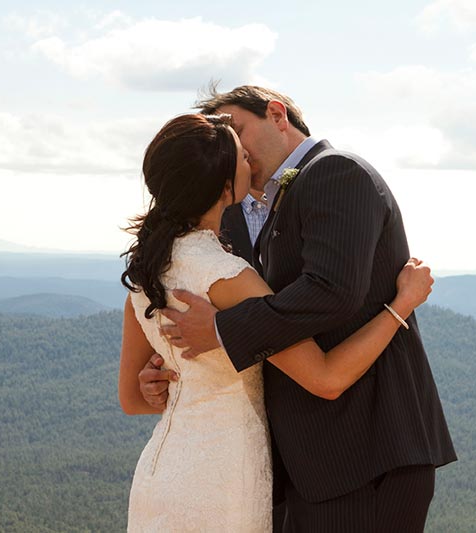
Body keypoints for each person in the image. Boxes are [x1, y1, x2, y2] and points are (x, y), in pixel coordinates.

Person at [140, 86, 457, 532]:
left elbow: (331, 292)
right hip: (290, 465)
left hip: (364, 453)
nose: (234, 146)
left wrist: (222, 331)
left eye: (237, 129)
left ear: (277, 114)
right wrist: (167, 368)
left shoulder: (337, 172)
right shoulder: (235, 209)